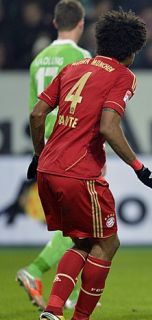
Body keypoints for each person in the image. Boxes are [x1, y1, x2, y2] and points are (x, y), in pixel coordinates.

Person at [28, 9, 152, 320]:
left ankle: (53, 310)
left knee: (83, 239)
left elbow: (37, 114)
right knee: (108, 243)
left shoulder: (73, 68)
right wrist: (141, 170)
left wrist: (39, 154)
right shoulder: (124, 76)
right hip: (80, 173)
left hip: (48, 170)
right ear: (132, 50)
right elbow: (108, 126)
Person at [16, 0, 91, 310]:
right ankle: (35, 272)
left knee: (76, 222)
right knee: (86, 223)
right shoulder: (82, 57)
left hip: (47, 145)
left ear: (54, 23)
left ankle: (69, 293)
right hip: (73, 145)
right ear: (81, 24)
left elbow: (36, 108)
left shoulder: (38, 60)